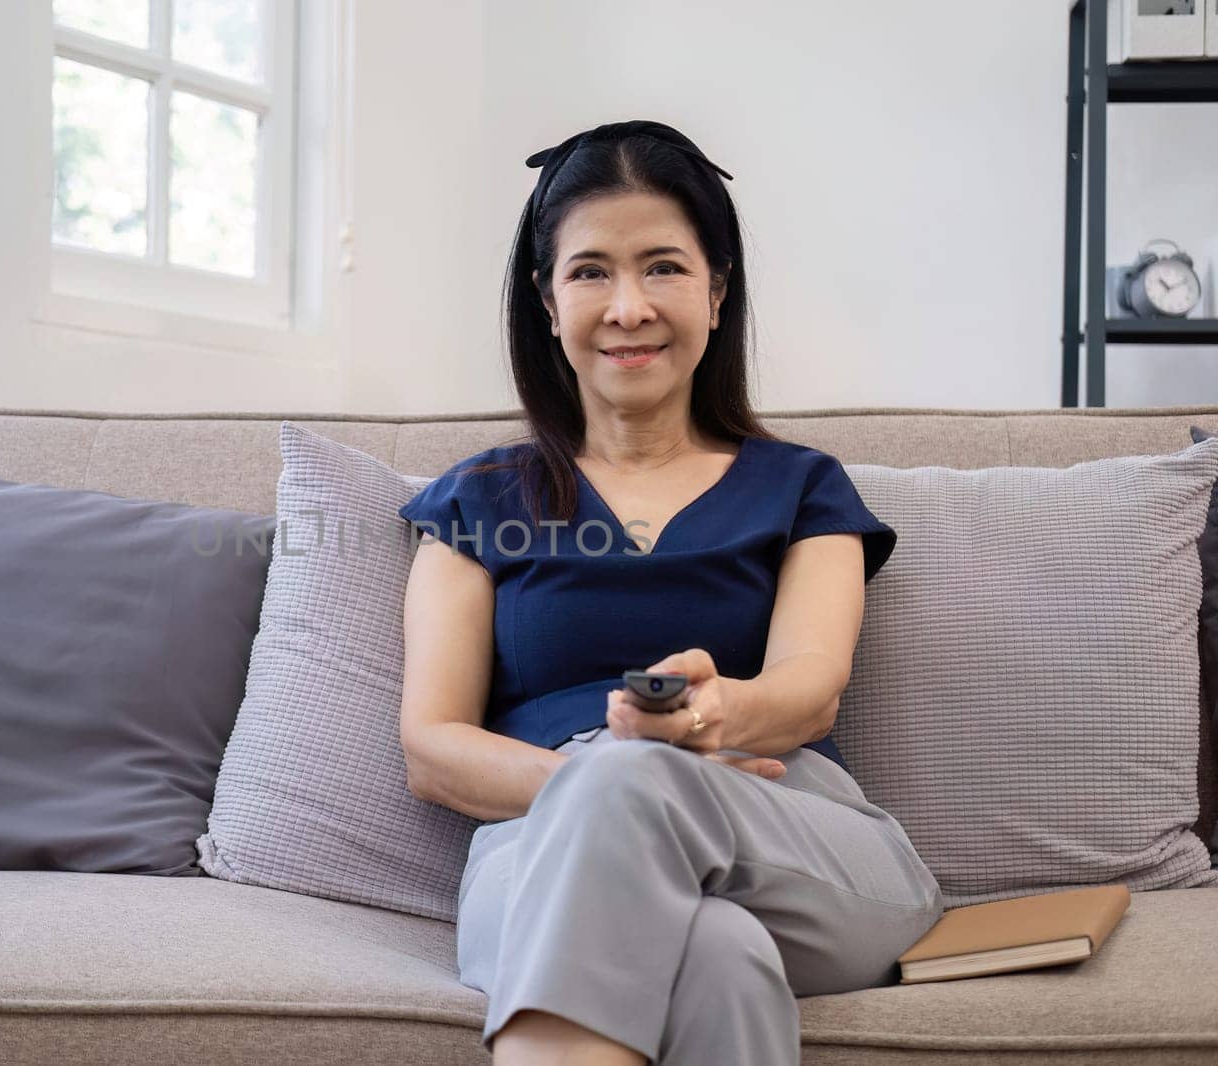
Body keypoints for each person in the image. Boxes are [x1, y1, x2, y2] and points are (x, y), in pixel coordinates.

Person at [396, 119, 945, 1066]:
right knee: (719, 955)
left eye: (663, 267)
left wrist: (706, 726)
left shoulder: (803, 487)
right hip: (539, 846)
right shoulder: (477, 501)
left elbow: (811, 689)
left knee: (649, 801)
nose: (628, 306)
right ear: (547, 299)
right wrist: (623, 781)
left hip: (789, 828)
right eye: (591, 272)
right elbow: (432, 749)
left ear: (718, 290)